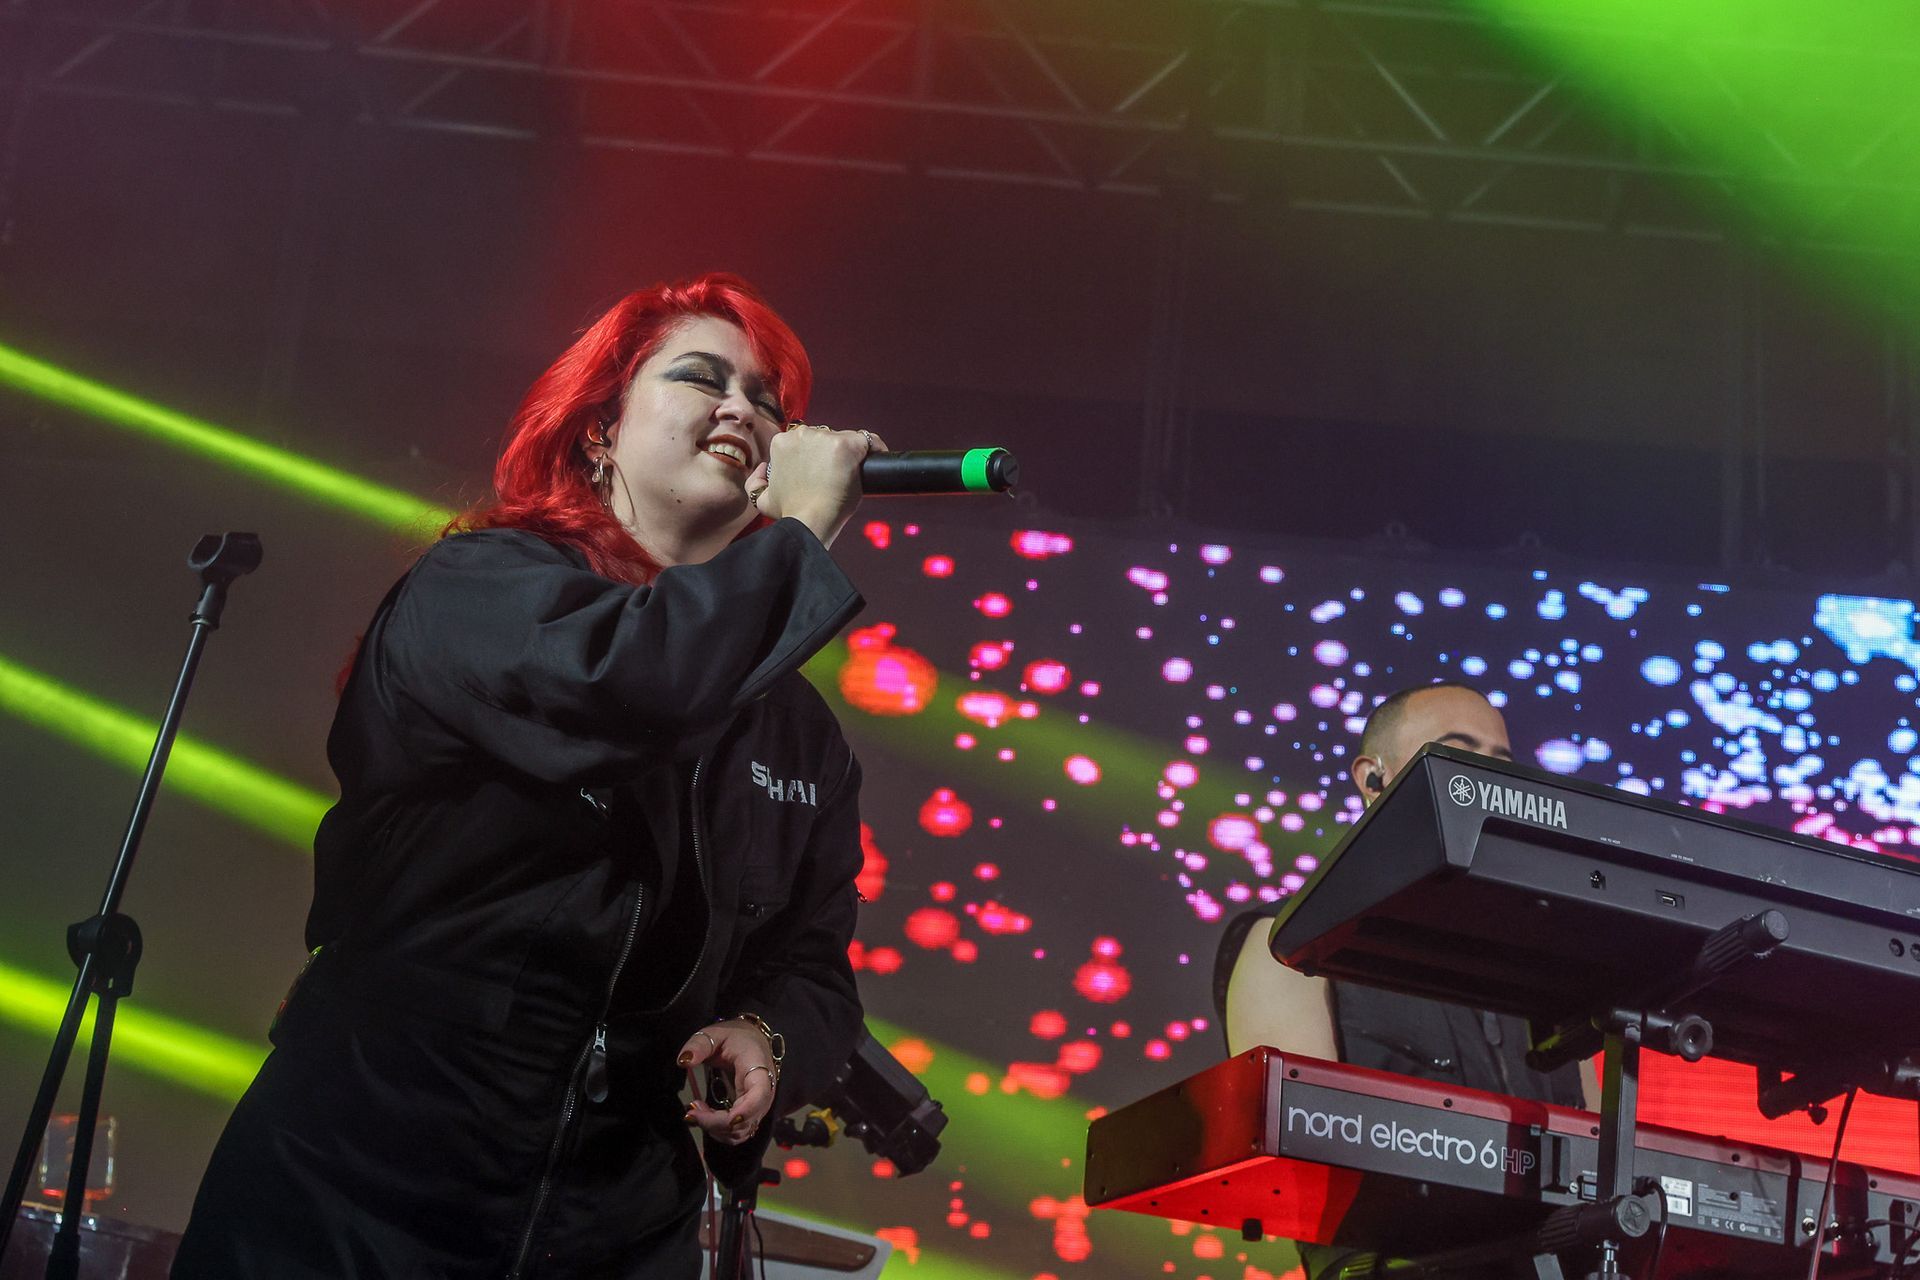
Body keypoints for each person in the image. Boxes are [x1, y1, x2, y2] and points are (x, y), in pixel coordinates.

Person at [173, 273, 881, 1278]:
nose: (744, 407)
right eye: (702, 376)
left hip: (619, 1232)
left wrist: (769, 1038)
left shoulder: (800, 735)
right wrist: (803, 539)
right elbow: (636, 680)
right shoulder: (480, 586)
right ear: (598, 428)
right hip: (365, 1207)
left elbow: (815, 963)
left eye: (769, 397)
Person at [1214, 682, 1594, 1274]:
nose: (1489, 781)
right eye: (1459, 752)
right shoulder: (1288, 946)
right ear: (1374, 779)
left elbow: (1599, 1157)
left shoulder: (1548, 970)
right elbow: (1299, 1155)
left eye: (1502, 762)